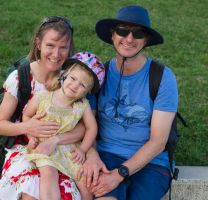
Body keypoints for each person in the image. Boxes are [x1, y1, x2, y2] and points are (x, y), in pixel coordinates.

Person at [78, 5, 178, 200]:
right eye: (123, 31)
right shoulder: (98, 75)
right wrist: (91, 155)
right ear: (113, 35)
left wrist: (119, 174)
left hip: (152, 163)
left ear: (146, 40)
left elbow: (158, 142)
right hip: (106, 155)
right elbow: (85, 123)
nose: (129, 39)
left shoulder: (162, 77)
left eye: (138, 33)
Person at [0, 16, 87, 200]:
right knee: (31, 188)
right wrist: (27, 127)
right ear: (38, 44)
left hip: (62, 152)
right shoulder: (21, 78)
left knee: (66, 192)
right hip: (25, 149)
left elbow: (83, 126)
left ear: (70, 48)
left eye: (63, 47)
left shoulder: (73, 80)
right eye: (50, 45)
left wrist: (56, 139)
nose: (56, 54)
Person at [23, 51, 105, 200]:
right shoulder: (43, 97)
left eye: (82, 85)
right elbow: (27, 115)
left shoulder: (82, 105)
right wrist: (30, 136)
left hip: (70, 150)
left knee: (84, 180)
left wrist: (83, 149)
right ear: (65, 75)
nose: (74, 85)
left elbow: (92, 128)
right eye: (73, 78)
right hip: (44, 147)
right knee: (49, 173)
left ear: (87, 92)